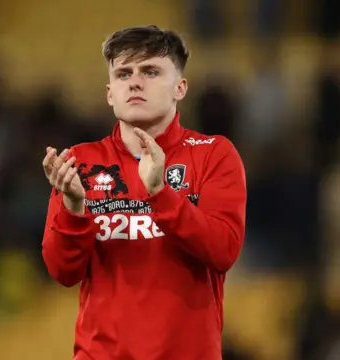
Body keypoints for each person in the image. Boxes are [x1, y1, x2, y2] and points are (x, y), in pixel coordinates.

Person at [41, 25, 247, 360]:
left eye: (150, 71)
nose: (135, 82)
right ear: (110, 93)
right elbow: (63, 272)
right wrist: (74, 206)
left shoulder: (214, 154)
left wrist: (160, 193)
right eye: (123, 74)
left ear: (180, 88)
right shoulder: (82, 162)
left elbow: (223, 250)